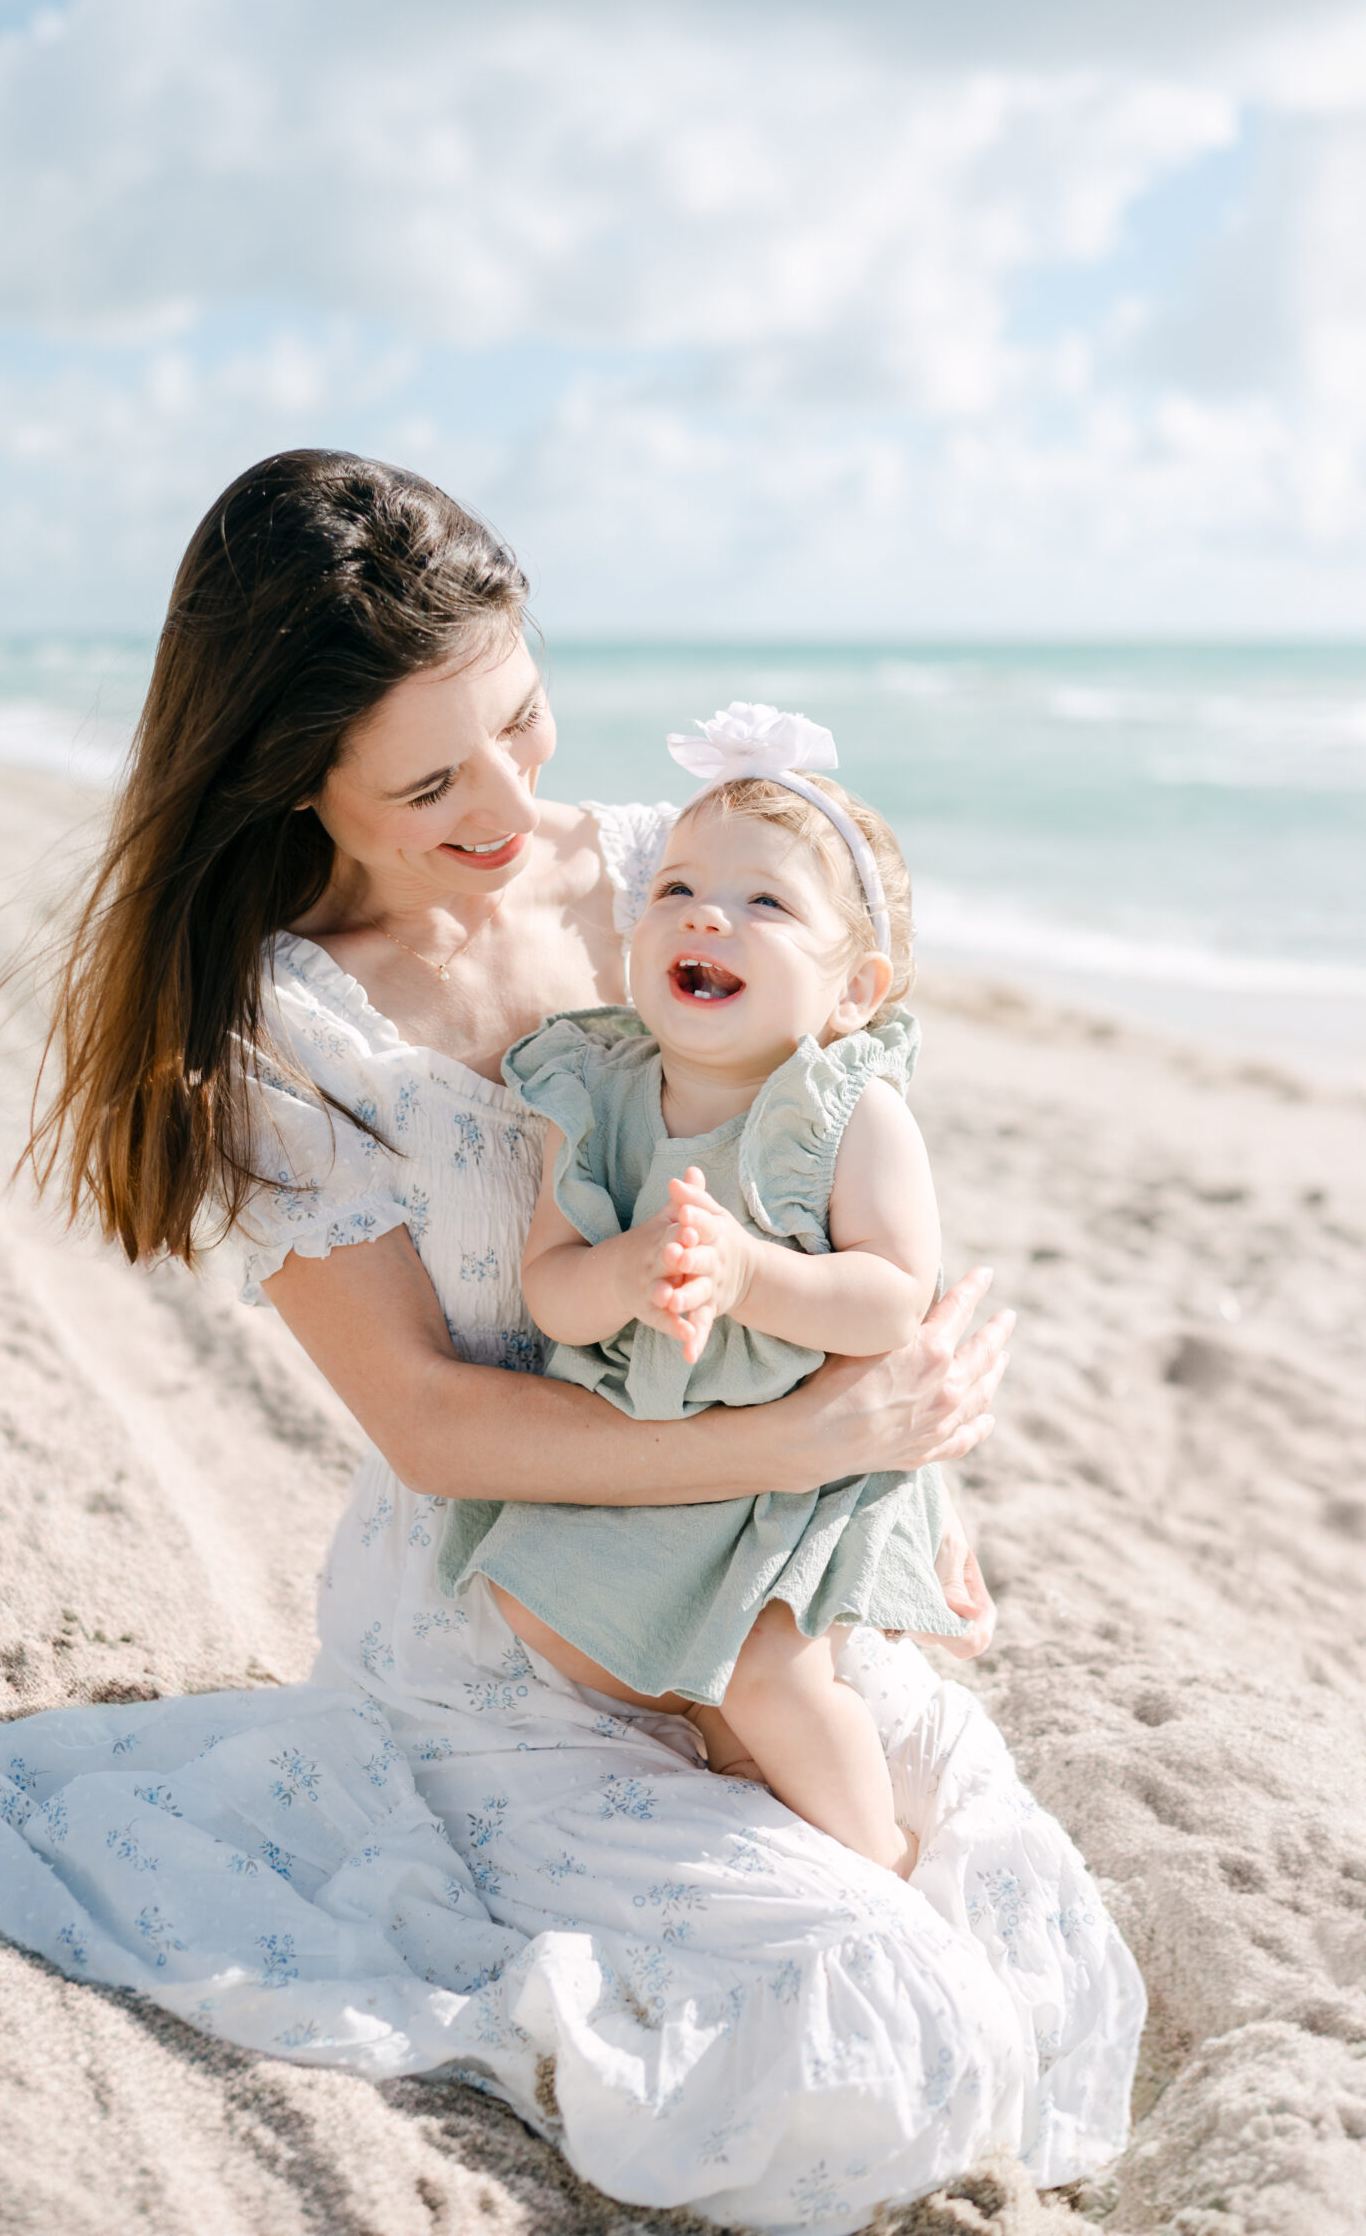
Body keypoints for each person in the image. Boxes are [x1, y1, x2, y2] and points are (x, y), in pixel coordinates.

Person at [0, 450, 1143, 2232]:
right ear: (299, 781)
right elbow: (438, 1429)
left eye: (524, 721)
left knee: (1018, 1937)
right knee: (879, 2013)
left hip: (761, 1573)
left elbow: (817, 1181)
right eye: (435, 779)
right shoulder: (281, 1037)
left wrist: (889, 1469)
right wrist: (812, 1446)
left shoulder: (662, 886)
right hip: (509, 1647)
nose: (515, 800)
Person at [442, 709, 966, 1879]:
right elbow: (551, 1295)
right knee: (540, 1610)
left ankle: (874, 1848)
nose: (706, 915)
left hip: (804, 1471)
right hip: (659, 1456)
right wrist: (621, 1272)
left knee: (777, 1670)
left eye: (767, 904)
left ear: (853, 989)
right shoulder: (603, 1091)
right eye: (676, 888)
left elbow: (892, 1297)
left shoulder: (844, 1112)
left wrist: (750, 1273)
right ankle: (719, 1736)